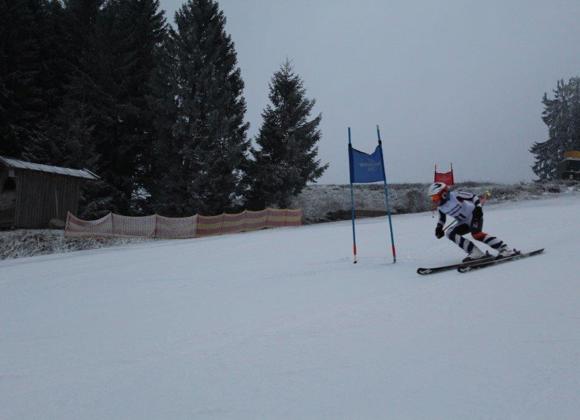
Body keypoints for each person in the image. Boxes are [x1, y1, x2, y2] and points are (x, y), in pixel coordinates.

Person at [428, 182, 516, 262]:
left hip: (474, 215)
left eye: (435, 197)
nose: (434, 200)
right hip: (463, 222)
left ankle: (505, 250)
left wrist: (478, 208)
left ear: (443, 193)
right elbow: (442, 219)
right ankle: (476, 253)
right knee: (449, 233)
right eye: (432, 198)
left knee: (476, 234)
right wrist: (439, 228)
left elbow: (474, 197)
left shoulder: (456, 195)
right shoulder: (440, 207)